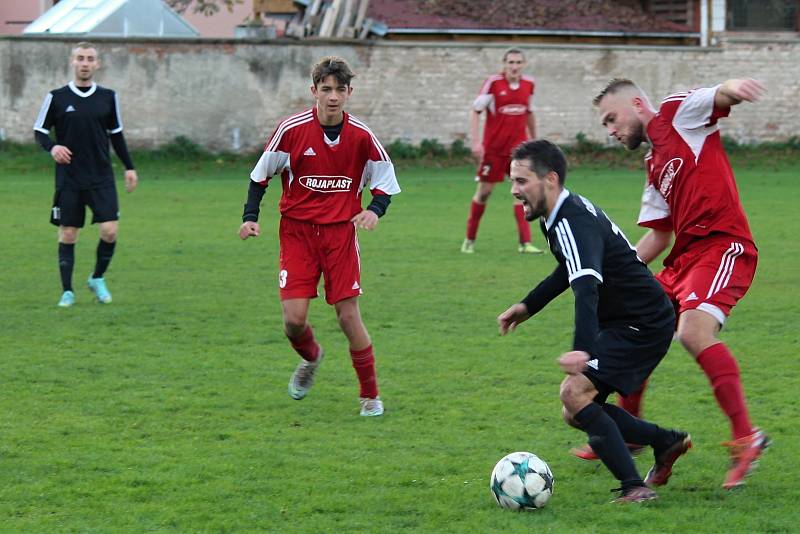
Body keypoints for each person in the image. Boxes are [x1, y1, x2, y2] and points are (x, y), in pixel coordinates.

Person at [585, 78, 770, 489]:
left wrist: (733, 87)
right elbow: (658, 237)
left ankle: (747, 437)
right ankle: (632, 434)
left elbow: (718, 97)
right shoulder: (654, 165)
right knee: (640, 324)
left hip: (723, 245)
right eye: (605, 125)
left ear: (636, 103)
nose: (611, 130)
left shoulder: (675, 112)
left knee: (692, 332)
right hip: (685, 258)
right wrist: (610, 271)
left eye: (612, 119)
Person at [497, 139, 691, 503]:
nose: (514, 191)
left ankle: (635, 488)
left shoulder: (572, 219)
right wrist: (528, 305)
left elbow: (587, 286)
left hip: (641, 323)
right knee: (576, 412)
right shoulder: (560, 213)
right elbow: (567, 269)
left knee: (574, 392)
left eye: (522, 181)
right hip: (633, 319)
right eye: (513, 181)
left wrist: (582, 349)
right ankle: (666, 441)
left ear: (550, 179)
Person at [238, 57, 400, 417]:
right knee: (293, 321)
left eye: (339, 89)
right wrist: (250, 218)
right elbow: (259, 177)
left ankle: (370, 396)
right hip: (297, 234)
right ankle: (311, 357)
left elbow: (385, 184)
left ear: (349, 93)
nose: (333, 96)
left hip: (340, 235)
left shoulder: (362, 136)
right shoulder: (291, 130)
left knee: (347, 316)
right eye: (325, 89)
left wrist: (374, 211)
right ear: (314, 91)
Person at [34, 42, 138, 307]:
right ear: (72, 62)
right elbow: (40, 131)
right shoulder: (56, 97)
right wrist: (53, 147)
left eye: (90, 59)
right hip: (69, 178)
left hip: (101, 176)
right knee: (68, 233)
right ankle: (67, 291)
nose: (85, 63)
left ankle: (97, 278)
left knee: (110, 231)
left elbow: (117, 135)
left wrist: (129, 167)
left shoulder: (107, 97)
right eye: (80, 58)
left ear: (97, 64)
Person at [461, 48, 543, 255]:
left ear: (523, 65)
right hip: (494, 150)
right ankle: (469, 240)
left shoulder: (528, 85)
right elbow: (475, 111)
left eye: (518, 62)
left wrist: (535, 141)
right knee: (484, 193)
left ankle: (525, 243)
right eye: (511, 62)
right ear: (504, 64)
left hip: (519, 151)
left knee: (522, 192)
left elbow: (529, 113)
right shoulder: (494, 83)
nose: (514, 66)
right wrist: (476, 141)